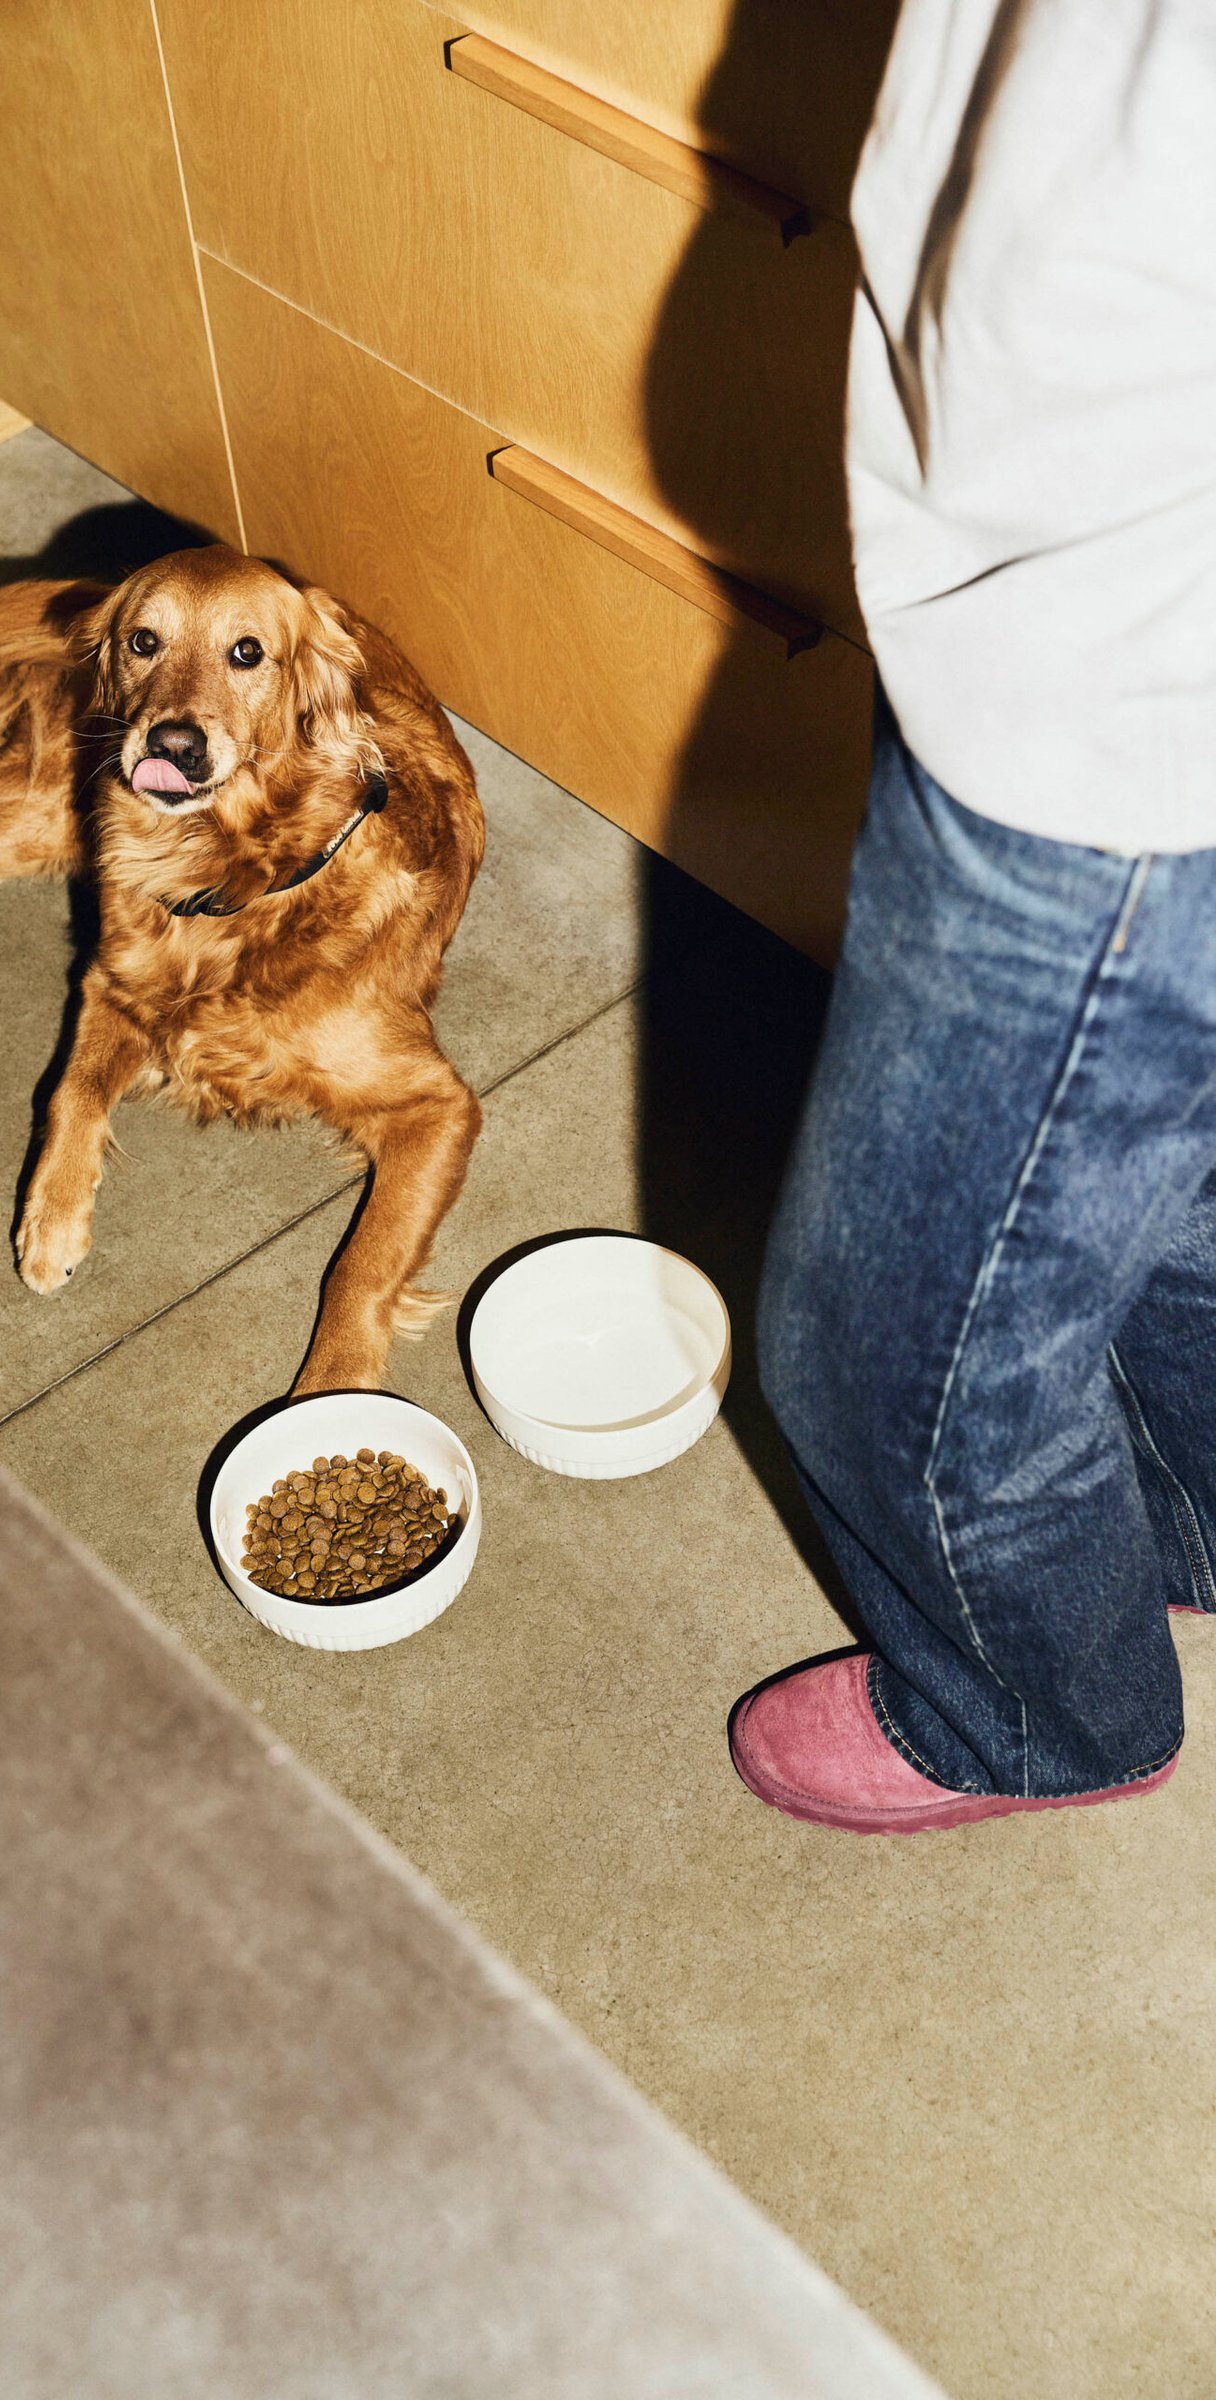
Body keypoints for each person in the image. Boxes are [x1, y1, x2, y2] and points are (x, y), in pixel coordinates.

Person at [729, 0, 1216, 1832]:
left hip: (1123, 704)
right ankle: (1195, 1523)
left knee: (887, 1340)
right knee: (1162, 1196)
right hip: (1104, 613)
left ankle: (1039, 1716)